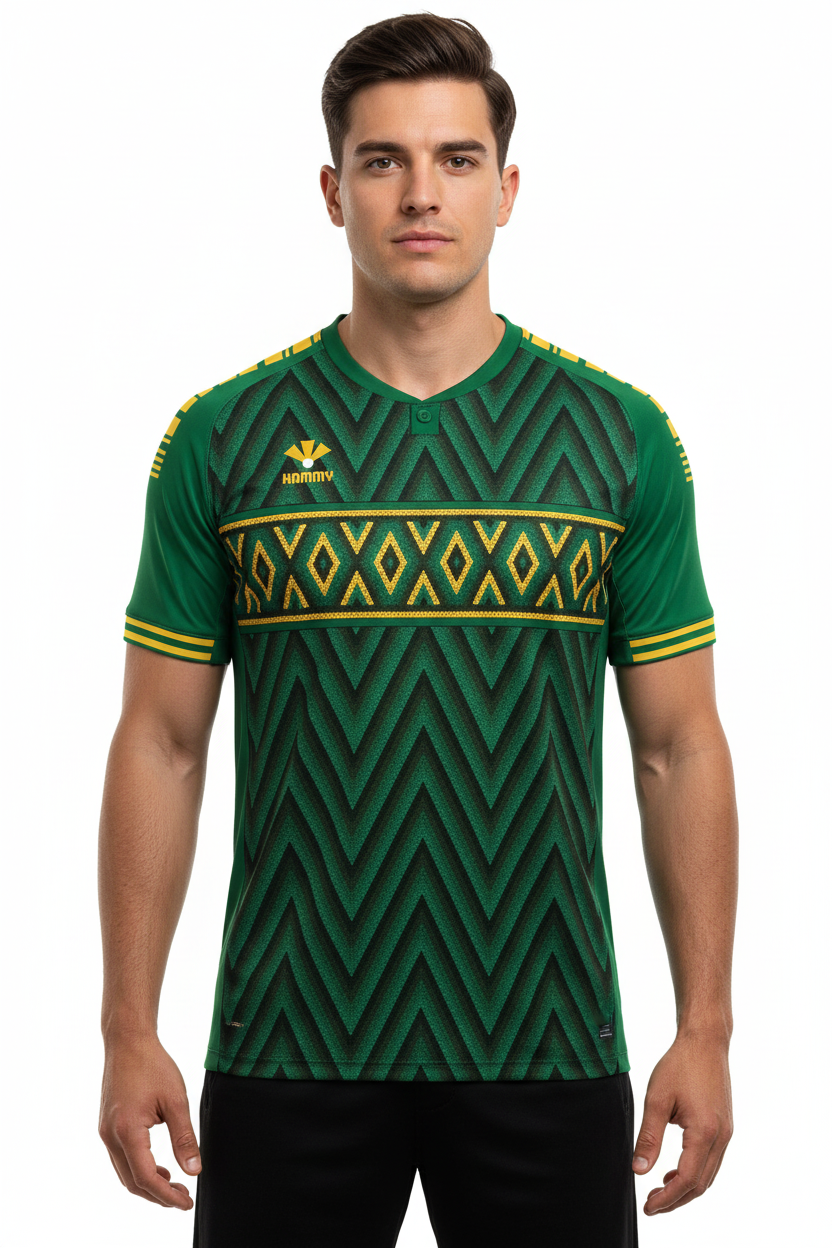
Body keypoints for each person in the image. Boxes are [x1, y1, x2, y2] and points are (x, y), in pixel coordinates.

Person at [98, 13, 738, 1247]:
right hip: (287, 1045)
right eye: (383, 160)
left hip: (549, 1042)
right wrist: (128, 1027)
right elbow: (161, 744)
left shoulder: (619, 438)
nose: (420, 194)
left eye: (455, 159)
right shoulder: (221, 438)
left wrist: (703, 1028)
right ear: (332, 192)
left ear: (508, 189)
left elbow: (678, 748)